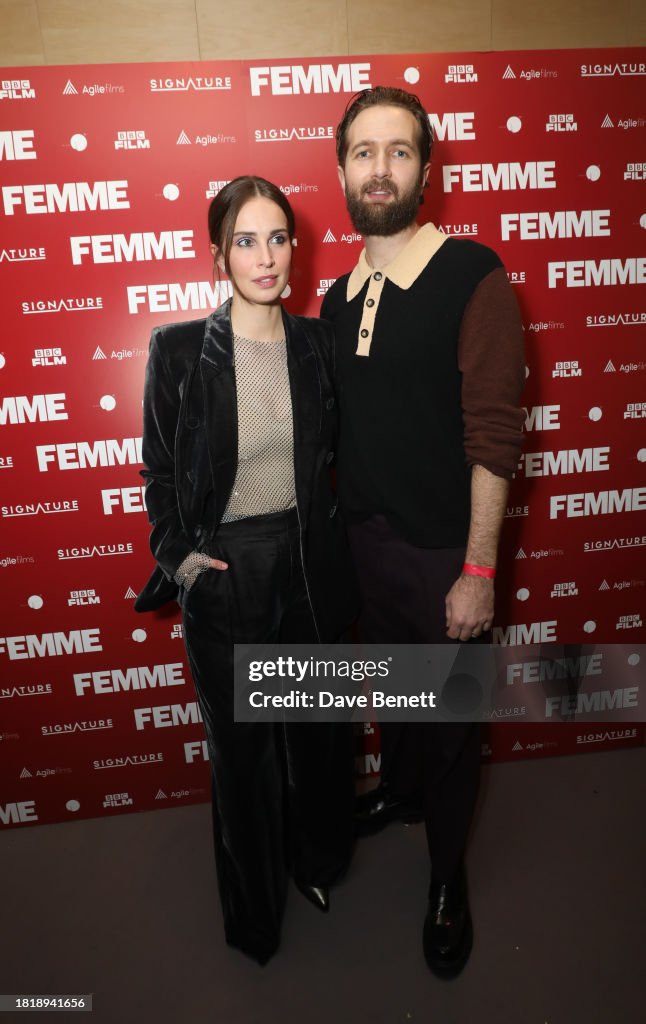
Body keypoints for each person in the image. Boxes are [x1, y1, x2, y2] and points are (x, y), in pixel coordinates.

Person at [320, 87, 525, 977]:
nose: (379, 169)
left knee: (451, 729)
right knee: (396, 705)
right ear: (340, 169)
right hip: (365, 549)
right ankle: (398, 792)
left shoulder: (474, 275)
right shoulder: (337, 294)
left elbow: (492, 436)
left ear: (426, 170)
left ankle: (448, 880)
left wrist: (479, 568)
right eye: (363, 152)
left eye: (398, 152)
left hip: (446, 551)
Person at [135, 175, 358, 966]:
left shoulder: (317, 342)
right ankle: (255, 915)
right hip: (228, 573)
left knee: (318, 737)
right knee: (244, 758)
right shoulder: (179, 351)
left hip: (305, 565)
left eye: (278, 237)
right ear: (219, 253)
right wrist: (181, 560)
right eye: (246, 240)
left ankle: (319, 863)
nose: (265, 257)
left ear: (296, 249)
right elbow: (158, 472)